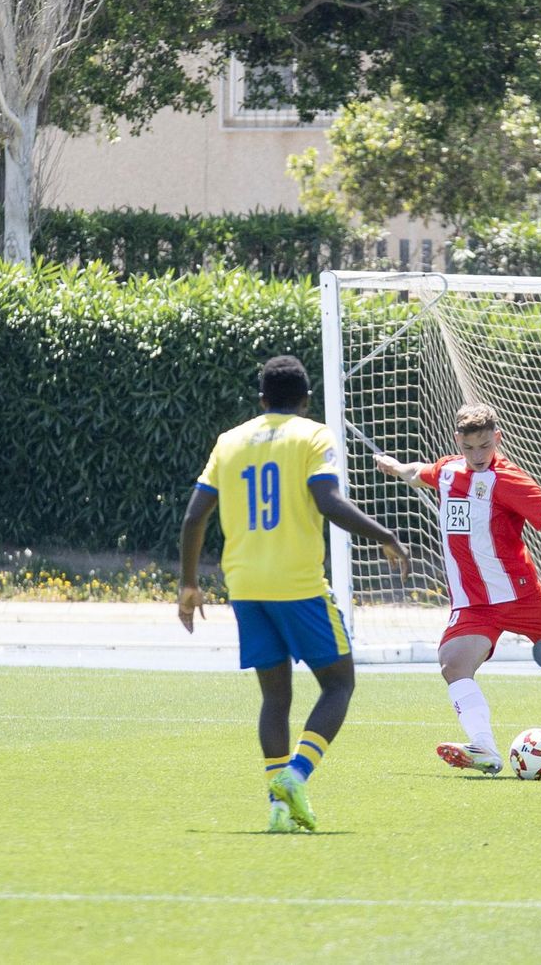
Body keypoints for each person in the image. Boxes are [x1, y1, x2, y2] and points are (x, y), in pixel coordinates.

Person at [179, 355, 410, 832]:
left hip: (244, 587)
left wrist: (188, 584)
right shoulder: (314, 435)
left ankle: (278, 810)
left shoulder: (229, 441)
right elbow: (327, 501)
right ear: (305, 400)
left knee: (275, 698)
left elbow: (193, 517)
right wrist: (384, 535)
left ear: (261, 399)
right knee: (339, 684)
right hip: (299, 585)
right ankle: (296, 775)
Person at [375, 403, 541, 775]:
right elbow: (418, 473)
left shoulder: (512, 482)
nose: (478, 456)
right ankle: (485, 749)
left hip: (522, 597)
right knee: (453, 664)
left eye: (485, 447)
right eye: (470, 447)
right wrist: (395, 467)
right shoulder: (447, 471)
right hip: (474, 605)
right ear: (458, 441)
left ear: (497, 438)